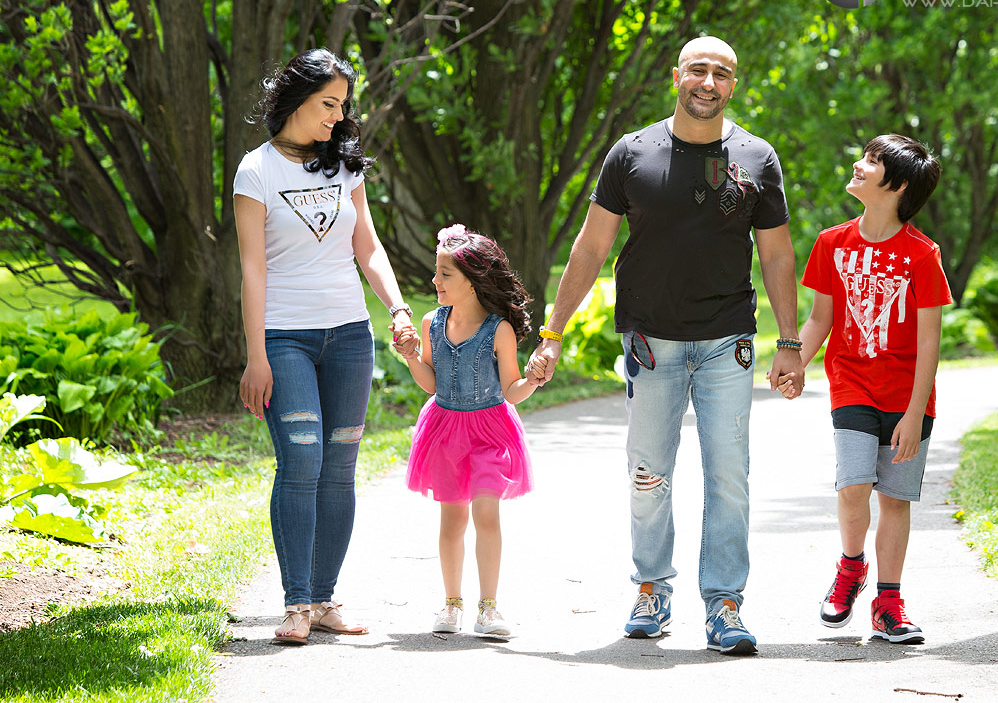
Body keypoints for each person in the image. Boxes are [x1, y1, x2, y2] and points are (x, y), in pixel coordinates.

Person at [528, 36, 805, 655]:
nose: (709, 81)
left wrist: (790, 342)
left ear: (734, 84)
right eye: (699, 70)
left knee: (729, 476)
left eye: (723, 74)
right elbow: (590, 248)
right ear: (676, 75)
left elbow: (778, 253)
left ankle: (725, 604)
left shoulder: (757, 158)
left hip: (726, 342)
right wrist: (552, 332)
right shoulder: (632, 153)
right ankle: (652, 588)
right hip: (651, 342)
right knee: (648, 474)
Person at [235, 48, 419, 646]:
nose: (337, 119)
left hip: (349, 338)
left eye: (343, 106)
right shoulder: (256, 170)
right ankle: (294, 603)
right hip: (284, 338)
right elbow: (253, 269)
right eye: (327, 104)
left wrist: (396, 308)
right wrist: (256, 355)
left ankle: (321, 598)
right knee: (304, 458)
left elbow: (367, 247)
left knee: (339, 466)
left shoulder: (344, 166)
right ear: (296, 100)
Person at [779, 133, 951, 645]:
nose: (858, 164)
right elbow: (819, 318)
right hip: (851, 383)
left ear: (896, 185)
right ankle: (851, 568)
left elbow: (930, 343)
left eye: (872, 162)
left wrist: (915, 414)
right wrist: (796, 360)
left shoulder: (922, 254)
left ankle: (889, 603)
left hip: (907, 398)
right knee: (853, 486)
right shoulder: (833, 243)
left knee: (895, 500)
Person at [394, 224, 540, 638]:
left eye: (444, 274)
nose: (435, 280)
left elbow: (512, 390)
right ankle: (451, 603)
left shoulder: (500, 330)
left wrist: (532, 380)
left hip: (491, 430)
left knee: (486, 512)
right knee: (453, 519)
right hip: (444, 429)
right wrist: (409, 356)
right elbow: (431, 382)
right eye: (437, 272)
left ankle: (489, 608)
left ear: (474, 281)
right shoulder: (431, 323)